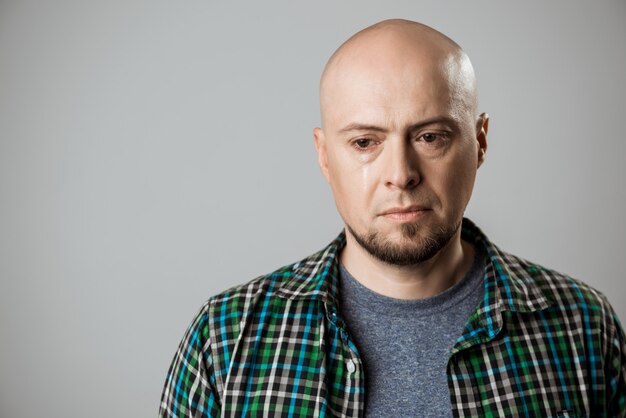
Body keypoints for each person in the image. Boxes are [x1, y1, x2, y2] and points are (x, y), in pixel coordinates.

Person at [159, 19, 626, 417]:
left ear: (480, 142)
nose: (401, 175)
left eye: (430, 137)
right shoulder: (224, 340)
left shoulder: (584, 326)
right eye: (365, 142)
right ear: (324, 156)